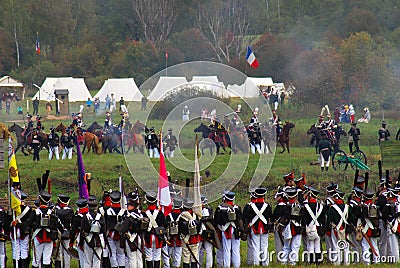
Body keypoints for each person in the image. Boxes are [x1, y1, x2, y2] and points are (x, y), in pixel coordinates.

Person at [31, 191, 64, 268]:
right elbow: (59, 226)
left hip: (38, 237)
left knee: (36, 260)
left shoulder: (35, 212)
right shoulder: (52, 212)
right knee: (47, 260)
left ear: (40, 201)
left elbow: (28, 223)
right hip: (49, 238)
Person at [242, 187, 272, 266]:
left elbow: (248, 217)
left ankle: (256, 263)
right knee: (264, 246)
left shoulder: (251, 206)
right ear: (263, 196)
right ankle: (265, 263)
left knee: (255, 247)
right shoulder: (267, 206)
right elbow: (270, 217)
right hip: (265, 228)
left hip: (254, 228)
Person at [214, 191, 243, 268]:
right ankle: (237, 265)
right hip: (236, 230)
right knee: (236, 249)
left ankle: (227, 265)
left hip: (225, 230)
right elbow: (240, 219)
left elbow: (216, 221)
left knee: (227, 249)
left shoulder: (220, 208)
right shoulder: (237, 208)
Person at [142, 192, 167, 268]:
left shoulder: (144, 213)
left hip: (148, 236)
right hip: (158, 237)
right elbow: (165, 225)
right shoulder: (160, 213)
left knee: (149, 256)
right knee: (157, 256)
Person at [302, 187, 325, 264]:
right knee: (317, 245)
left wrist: (304, 227)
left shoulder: (306, 206)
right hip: (318, 228)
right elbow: (323, 219)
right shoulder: (321, 206)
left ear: (310, 195)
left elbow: (304, 219)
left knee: (310, 245)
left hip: (309, 228)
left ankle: (311, 261)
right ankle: (318, 261)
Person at [82, 197, 107, 268]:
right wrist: (105, 242)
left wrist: (81, 243)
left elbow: (82, 231)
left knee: (87, 261)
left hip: (88, 240)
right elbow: (104, 230)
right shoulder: (101, 217)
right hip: (99, 240)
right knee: (97, 260)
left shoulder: (85, 217)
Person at [10, 189, 32, 268]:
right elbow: (29, 222)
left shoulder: (13, 209)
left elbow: (8, 220)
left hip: (15, 230)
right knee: (24, 249)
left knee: (15, 250)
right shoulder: (28, 210)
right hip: (24, 232)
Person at [104, 190, 127, 268]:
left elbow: (106, 224)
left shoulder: (107, 211)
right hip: (121, 234)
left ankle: (114, 266)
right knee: (121, 253)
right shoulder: (124, 212)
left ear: (111, 199)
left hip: (110, 234)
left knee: (112, 252)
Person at [178, 198, 202, 268]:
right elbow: (199, 228)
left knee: (186, 256)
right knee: (194, 257)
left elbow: (180, 230)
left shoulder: (182, 216)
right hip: (195, 239)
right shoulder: (196, 216)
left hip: (186, 239)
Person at [54, 195, 74, 268]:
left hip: (58, 233)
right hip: (67, 233)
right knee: (67, 252)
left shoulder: (55, 210)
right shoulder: (70, 210)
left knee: (59, 253)